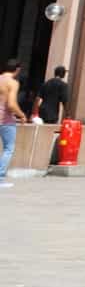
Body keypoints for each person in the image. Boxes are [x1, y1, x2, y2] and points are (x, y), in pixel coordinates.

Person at [0, 57, 23, 189]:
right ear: (17, 70)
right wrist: (22, 115)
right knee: (8, 149)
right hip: (5, 121)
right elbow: (11, 104)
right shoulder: (12, 83)